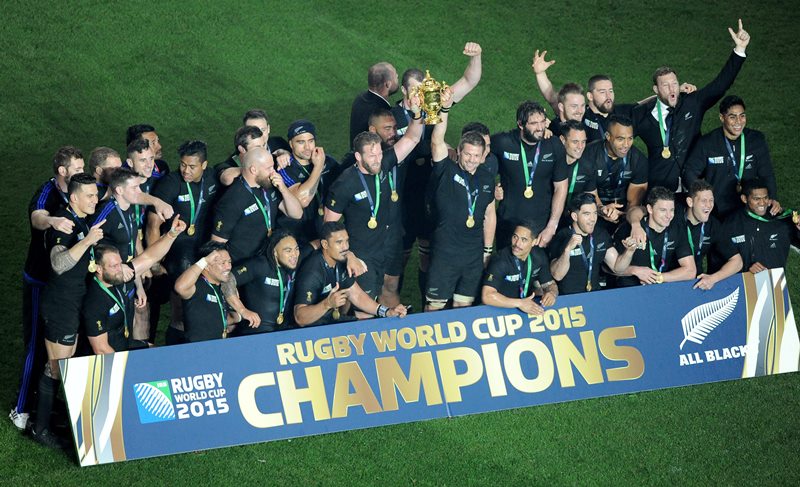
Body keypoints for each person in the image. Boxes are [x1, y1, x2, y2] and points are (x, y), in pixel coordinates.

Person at [11, 147, 83, 432]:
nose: (82, 170)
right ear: (62, 171)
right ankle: (21, 408)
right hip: (40, 280)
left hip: (64, 285)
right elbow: (37, 217)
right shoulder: (47, 193)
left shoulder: (79, 192)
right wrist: (52, 220)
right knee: (35, 344)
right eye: (77, 167)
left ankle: (51, 402)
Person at [325, 97, 423, 308]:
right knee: (362, 306)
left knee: (390, 288)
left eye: (379, 153)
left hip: (390, 243)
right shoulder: (344, 183)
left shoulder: (385, 162)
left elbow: (413, 138)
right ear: (358, 157)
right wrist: (348, 254)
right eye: (372, 155)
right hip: (363, 251)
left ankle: (392, 334)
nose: (378, 159)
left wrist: (416, 113)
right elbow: (329, 226)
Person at [631, 19, 751, 191]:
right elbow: (621, 133)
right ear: (656, 89)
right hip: (661, 187)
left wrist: (740, 49)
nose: (672, 88)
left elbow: (720, 85)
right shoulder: (644, 114)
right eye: (665, 85)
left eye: (674, 83)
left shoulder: (693, 102)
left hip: (694, 183)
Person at [32, 173, 104, 448]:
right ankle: (40, 429)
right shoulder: (63, 225)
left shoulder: (81, 219)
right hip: (61, 305)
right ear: (73, 198)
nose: (95, 200)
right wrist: (87, 242)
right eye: (89, 196)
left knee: (65, 363)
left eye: (96, 195)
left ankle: (55, 418)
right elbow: (59, 264)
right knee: (56, 368)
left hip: (74, 302)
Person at [425, 90, 496, 311]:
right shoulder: (445, 169)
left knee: (463, 309)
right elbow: (436, 140)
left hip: (473, 256)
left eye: (477, 155)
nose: (472, 160)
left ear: (483, 155)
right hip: (445, 254)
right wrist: (444, 110)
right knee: (434, 309)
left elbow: (489, 214)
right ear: (458, 151)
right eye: (467, 155)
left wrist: (486, 251)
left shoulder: (487, 178)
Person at [147, 140, 220, 343]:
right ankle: (177, 344)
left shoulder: (213, 178)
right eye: (182, 164)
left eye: (192, 166)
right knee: (181, 307)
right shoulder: (170, 183)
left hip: (203, 248)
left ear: (204, 165)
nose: (185, 170)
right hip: (178, 251)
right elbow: (153, 224)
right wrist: (154, 262)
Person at [83, 216, 187, 354]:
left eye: (120, 263)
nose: (120, 269)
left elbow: (149, 257)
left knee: (162, 354)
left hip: (126, 344)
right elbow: (101, 349)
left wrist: (171, 234)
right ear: (99, 269)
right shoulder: (95, 302)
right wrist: (127, 371)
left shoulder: (119, 275)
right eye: (114, 266)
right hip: (110, 357)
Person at [683, 95, 779, 219]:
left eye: (742, 116)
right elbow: (689, 172)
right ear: (722, 118)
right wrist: (701, 196)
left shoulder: (756, 140)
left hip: (749, 207)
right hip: (718, 210)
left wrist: (773, 198)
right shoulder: (707, 143)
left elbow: (767, 173)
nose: (738, 122)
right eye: (732, 117)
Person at [294, 222, 407, 326]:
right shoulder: (312, 272)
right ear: (325, 244)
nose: (345, 247)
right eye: (339, 242)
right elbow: (300, 318)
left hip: (331, 322)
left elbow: (356, 295)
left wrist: (387, 311)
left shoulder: (340, 262)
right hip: (312, 331)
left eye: (346, 241)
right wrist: (327, 304)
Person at [490, 100, 568, 247]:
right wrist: (491, 187)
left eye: (542, 122)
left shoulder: (554, 145)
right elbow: (476, 158)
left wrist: (552, 226)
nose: (540, 128)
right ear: (520, 124)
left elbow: (561, 187)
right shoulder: (503, 142)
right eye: (534, 123)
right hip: (508, 223)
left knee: (536, 267)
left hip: (540, 226)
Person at [211, 147, 303, 264]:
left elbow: (297, 214)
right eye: (269, 168)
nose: (273, 172)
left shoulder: (269, 187)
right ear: (253, 170)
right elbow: (217, 244)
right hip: (241, 264)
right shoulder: (233, 198)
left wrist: (283, 189)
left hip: (264, 260)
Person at [549, 193, 638, 295]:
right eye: (587, 214)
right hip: (570, 299)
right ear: (575, 216)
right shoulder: (562, 236)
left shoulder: (600, 234)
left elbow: (617, 268)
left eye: (595, 213)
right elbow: (557, 275)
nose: (592, 219)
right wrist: (567, 250)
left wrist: (629, 252)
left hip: (595, 296)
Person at [613, 187, 696, 287]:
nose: (669, 215)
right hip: (629, 289)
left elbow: (690, 271)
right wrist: (635, 270)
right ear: (649, 209)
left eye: (672, 210)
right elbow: (611, 268)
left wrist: (658, 278)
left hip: (659, 288)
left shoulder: (676, 230)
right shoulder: (630, 229)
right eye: (663, 210)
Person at [174, 241, 255, 342]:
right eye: (222, 263)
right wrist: (204, 261)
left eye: (229, 262)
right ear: (207, 266)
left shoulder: (220, 288)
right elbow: (180, 287)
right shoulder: (197, 285)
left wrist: (241, 316)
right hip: (198, 349)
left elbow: (216, 317)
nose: (228, 267)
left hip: (217, 347)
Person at [276, 120, 337, 246]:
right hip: (295, 237)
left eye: (311, 141)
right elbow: (302, 200)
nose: (307, 147)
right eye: (301, 142)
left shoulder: (329, 162)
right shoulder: (284, 168)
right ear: (291, 144)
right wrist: (318, 167)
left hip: (322, 230)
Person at [581, 115, 648, 228]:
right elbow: (589, 195)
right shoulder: (589, 155)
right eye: (620, 139)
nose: (626, 145)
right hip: (594, 210)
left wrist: (623, 220)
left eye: (630, 138)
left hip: (624, 214)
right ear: (608, 136)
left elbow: (633, 202)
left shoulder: (638, 160)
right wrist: (603, 211)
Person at [721, 179, 800, 273]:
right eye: (756, 199)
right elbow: (722, 261)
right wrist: (746, 268)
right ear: (744, 199)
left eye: (765, 198)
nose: (762, 203)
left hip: (776, 283)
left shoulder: (782, 220)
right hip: (743, 283)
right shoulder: (731, 224)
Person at [229, 230, 299, 333]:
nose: (294, 254)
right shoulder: (260, 265)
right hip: (255, 335)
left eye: (296, 249)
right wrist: (242, 310)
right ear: (274, 252)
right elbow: (227, 279)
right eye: (288, 250)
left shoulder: (290, 268)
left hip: (282, 334)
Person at [679, 180, 743, 290]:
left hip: (695, 283)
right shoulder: (673, 217)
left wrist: (713, 278)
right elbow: (645, 210)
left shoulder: (713, 225)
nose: (709, 205)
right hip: (669, 280)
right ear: (690, 202)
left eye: (711, 200)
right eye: (704, 201)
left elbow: (737, 262)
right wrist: (637, 221)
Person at [482, 221, 558, 314]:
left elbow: (549, 284)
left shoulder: (539, 257)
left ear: (534, 242)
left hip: (523, 308)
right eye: (515, 237)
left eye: (524, 240)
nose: (517, 244)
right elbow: (487, 296)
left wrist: (552, 293)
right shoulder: (500, 261)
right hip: (498, 310)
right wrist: (519, 303)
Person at [349, 62, 399, 148]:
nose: (398, 78)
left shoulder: (360, 98)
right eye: (396, 77)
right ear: (388, 84)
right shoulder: (382, 111)